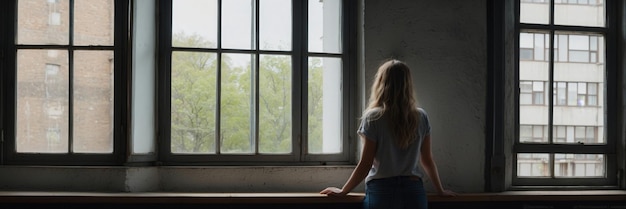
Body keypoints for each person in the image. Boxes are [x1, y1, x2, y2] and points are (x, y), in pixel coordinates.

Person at [320, 59, 456, 209]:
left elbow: (366, 163)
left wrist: (343, 191)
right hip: (413, 192)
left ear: (380, 83)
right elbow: (427, 160)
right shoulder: (421, 116)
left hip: (382, 191)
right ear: (408, 84)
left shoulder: (374, 117)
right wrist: (440, 190)